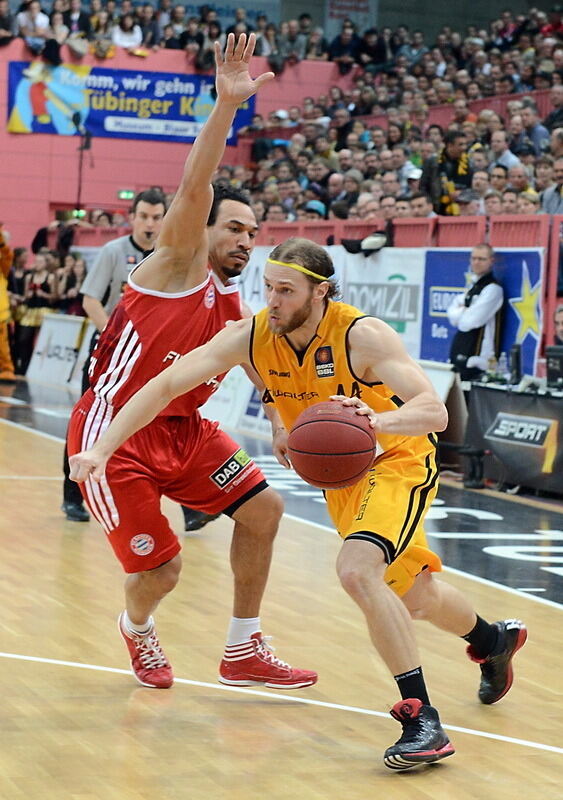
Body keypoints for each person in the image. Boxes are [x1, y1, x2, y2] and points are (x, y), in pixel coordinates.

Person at [70, 236, 526, 771]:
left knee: (357, 572)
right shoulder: (254, 335)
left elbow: (434, 411)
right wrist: (101, 448)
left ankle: (421, 720)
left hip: (397, 460)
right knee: (415, 597)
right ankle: (493, 640)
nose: (273, 300)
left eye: (286, 290)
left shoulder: (361, 336)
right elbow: (164, 385)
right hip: (344, 478)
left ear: (321, 292)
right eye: (268, 288)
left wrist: (375, 421)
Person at [67, 34, 317, 693]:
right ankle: (137, 628)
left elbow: (256, 363)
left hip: (186, 432)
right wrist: (227, 106)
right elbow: (195, 183)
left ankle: (243, 647)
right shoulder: (175, 264)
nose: (245, 240)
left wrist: (280, 418)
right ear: (201, 227)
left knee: (264, 510)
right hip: (116, 432)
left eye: (252, 233)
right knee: (163, 570)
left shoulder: (236, 303)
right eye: (233, 227)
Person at [61, 187, 168, 523]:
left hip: (152, 356)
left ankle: (188, 507)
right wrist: (116, 336)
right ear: (132, 218)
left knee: (163, 423)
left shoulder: (170, 255)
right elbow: (90, 300)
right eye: (144, 217)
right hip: (110, 354)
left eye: (157, 218)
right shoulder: (113, 251)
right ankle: (72, 497)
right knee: (86, 423)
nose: (150, 224)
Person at [447, 244, 504, 381]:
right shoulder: (472, 287)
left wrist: (463, 310)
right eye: (473, 258)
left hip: (478, 358)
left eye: (481, 259)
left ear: (491, 261)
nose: (476, 262)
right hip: (461, 348)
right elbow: (451, 316)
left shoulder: (493, 289)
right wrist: (465, 311)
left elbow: (469, 322)